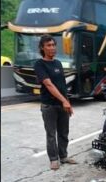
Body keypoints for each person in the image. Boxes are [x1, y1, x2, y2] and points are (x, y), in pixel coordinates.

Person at [34, 34, 77, 170]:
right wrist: (64, 101)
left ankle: (63, 156)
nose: (52, 48)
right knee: (51, 134)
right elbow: (49, 84)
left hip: (62, 104)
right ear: (42, 48)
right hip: (49, 106)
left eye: (53, 45)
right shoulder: (39, 64)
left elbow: (62, 85)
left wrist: (67, 102)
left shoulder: (58, 63)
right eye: (48, 45)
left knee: (64, 132)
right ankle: (53, 159)